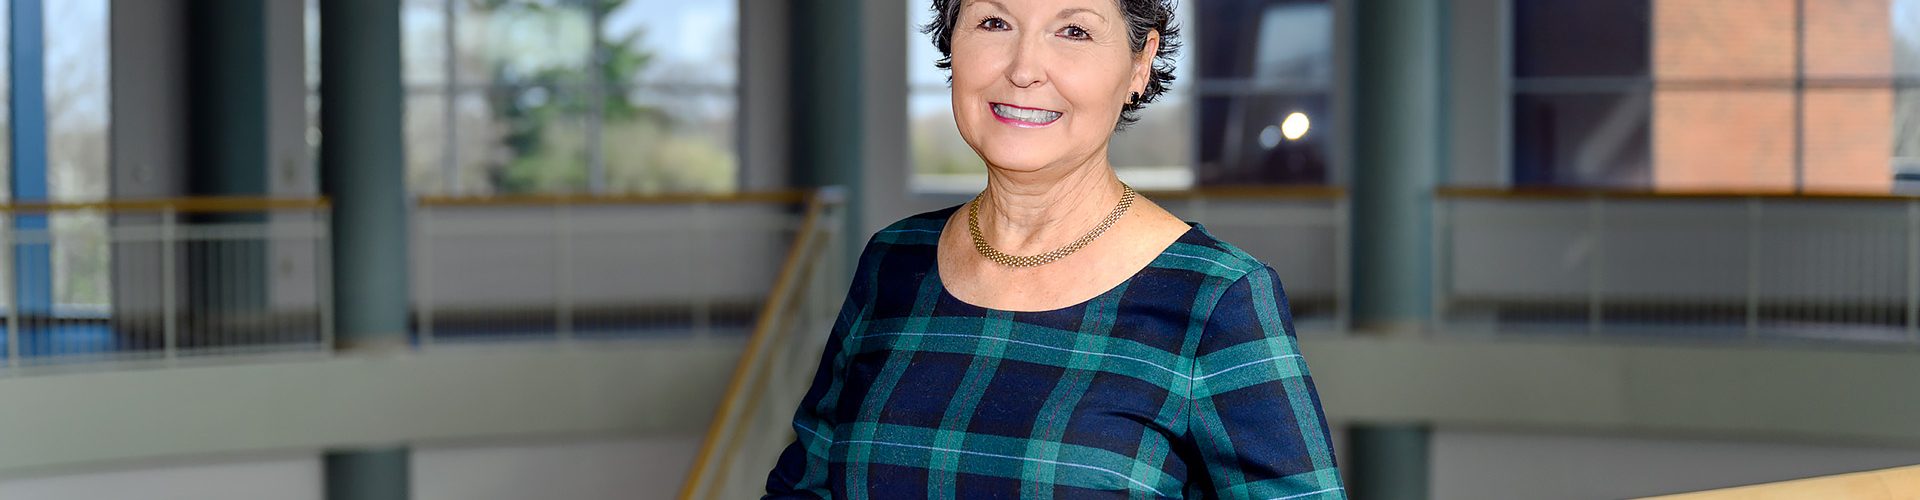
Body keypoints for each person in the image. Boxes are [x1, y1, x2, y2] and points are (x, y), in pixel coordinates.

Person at [766, 0, 1344, 497]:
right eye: (994, 23)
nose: (1023, 70)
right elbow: (805, 488)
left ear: (1140, 62)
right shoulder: (895, 259)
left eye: (1074, 31)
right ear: (952, 39)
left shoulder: (1217, 296)